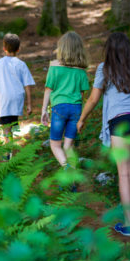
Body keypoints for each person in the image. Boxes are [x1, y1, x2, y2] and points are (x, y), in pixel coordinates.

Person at [77, 32, 130, 237]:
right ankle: (126, 203)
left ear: (108, 50)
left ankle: (128, 224)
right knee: (128, 169)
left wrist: (82, 118)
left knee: (124, 172)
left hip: (121, 121)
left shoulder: (104, 69)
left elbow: (93, 99)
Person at [41, 31, 89, 175]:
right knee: (69, 147)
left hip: (59, 108)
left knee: (55, 145)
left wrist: (44, 110)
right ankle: (72, 178)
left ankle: (66, 169)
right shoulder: (81, 70)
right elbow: (81, 94)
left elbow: (48, 89)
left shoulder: (54, 65)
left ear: (62, 48)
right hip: (76, 108)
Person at [0, 33, 35, 145]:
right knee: (12, 124)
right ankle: (12, 148)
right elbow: (27, 85)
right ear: (18, 49)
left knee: (6, 127)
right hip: (17, 98)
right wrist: (29, 104)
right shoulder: (21, 64)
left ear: (4, 48)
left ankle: (9, 151)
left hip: (4, 99)